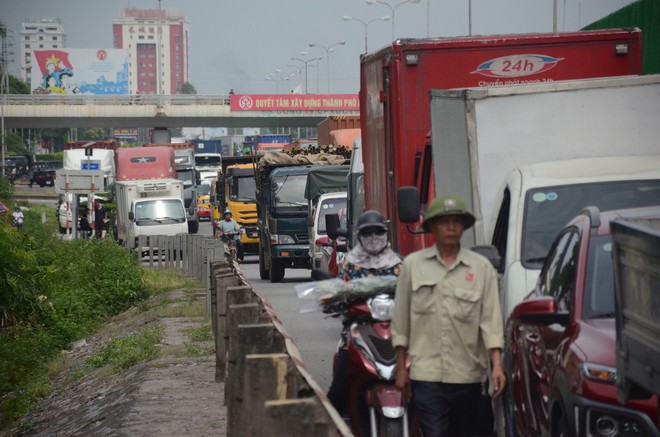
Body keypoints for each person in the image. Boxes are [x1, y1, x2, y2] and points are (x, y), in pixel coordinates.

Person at [391, 195, 506, 437]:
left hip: (468, 375)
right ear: (431, 227)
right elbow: (401, 324)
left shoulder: (481, 268)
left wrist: (497, 366)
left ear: (463, 226)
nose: (451, 228)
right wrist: (401, 369)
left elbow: (491, 322)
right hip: (427, 374)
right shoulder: (413, 267)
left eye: (457, 221)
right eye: (445, 222)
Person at [326, 210, 403, 416]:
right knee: (337, 391)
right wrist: (332, 300)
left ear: (386, 234)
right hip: (358, 332)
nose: (373, 238)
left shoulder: (399, 264)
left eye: (377, 233)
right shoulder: (349, 265)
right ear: (359, 236)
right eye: (367, 233)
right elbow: (337, 292)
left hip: (399, 333)